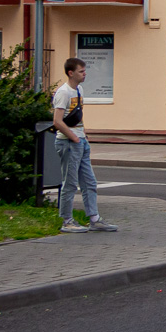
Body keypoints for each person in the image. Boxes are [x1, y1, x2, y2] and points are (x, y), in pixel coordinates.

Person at [51, 57, 119, 233]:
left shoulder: (79, 90)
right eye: (81, 71)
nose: (85, 74)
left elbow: (78, 116)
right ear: (70, 73)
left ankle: (94, 219)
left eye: (85, 70)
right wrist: (74, 137)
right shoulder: (63, 93)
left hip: (81, 140)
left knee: (90, 182)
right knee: (70, 183)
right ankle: (67, 220)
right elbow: (57, 121)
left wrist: (83, 136)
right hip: (68, 142)